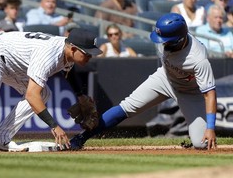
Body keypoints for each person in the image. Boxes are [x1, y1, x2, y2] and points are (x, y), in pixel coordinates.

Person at [69, 13, 218, 151]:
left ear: (179, 39)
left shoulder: (198, 59)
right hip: (165, 78)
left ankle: (195, 136)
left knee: (202, 143)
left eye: (165, 40)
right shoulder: (168, 38)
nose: (162, 43)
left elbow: (210, 94)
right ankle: (81, 138)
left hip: (189, 92)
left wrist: (210, 128)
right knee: (126, 107)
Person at [0, 28, 102, 151]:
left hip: (11, 63)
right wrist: (54, 126)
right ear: (73, 48)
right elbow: (32, 96)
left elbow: (68, 70)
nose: (90, 57)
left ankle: (0, 138)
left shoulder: (67, 49)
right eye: (87, 53)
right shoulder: (49, 55)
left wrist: (81, 96)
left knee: (45, 93)